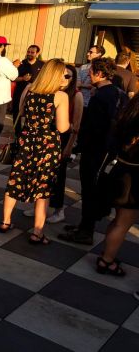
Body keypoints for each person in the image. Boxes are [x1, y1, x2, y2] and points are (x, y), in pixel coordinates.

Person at [0, 59, 70, 244]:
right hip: (47, 145)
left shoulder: (29, 89)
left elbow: (21, 113)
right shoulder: (60, 96)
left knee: (15, 180)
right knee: (43, 187)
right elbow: (62, 128)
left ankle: (6, 221)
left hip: (27, 140)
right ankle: (37, 232)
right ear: (56, 75)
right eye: (63, 74)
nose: (65, 77)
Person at [60, 58, 121, 245]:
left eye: (91, 71)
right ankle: (83, 226)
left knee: (90, 190)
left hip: (96, 150)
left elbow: (96, 126)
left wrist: (78, 146)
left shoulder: (102, 96)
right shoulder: (114, 92)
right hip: (102, 149)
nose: (88, 74)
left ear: (100, 74)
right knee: (89, 189)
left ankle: (86, 232)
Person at [23, 64, 83, 223]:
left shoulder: (76, 95)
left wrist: (69, 147)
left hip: (63, 139)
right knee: (40, 174)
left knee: (58, 177)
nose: (64, 79)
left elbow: (76, 125)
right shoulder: (51, 93)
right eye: (62, 75)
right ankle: (38, 206)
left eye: (68, 76)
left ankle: (59, 209)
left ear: (73, 79)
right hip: (48, 139)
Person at [94, 95, 139, 276]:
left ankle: (107, 254)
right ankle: (107, 261)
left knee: (117, 220)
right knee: (123, 223)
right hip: (133, 176)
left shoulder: (126, 115)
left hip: (118, 169)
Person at [12, 45, 45, 134]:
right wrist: (22, 78)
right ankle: (17, 135)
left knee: (31, 115)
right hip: (19, 93)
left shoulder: (42, 65)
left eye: (32, 52)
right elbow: (13, 78)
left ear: (37, 54)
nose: (29, 54)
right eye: (28, 52)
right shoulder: (21, 64)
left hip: (34, 94)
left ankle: (27, 134)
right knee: (17, 114)